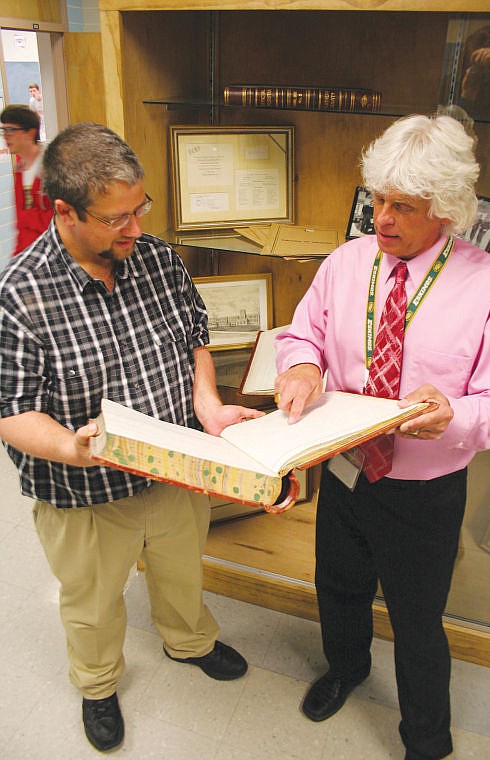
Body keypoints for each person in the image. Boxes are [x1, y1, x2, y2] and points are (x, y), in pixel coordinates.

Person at [0, 122, 264, 753]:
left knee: (182, 571)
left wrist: (208, 404)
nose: (136, 230)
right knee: (92, 602)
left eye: (139, 209)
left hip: (175, 466)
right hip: (83, 488)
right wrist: (71, 446)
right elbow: (11, 409)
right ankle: (97, 683)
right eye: (116, 218)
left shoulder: (157, 259)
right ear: (65, 211)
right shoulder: (19, 294)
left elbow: (193, 334)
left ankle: (188, 641)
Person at [273, 114, 490, 760]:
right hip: (346, 470)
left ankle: (426, 740)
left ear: (447, 209)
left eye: (402, 207)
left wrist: (454, 414)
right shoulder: (347, 262)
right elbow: (303, 335)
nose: (381, 218)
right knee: (336, 584)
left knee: (416, 621)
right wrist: (299, 364)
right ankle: (345, 668)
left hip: (424, 491)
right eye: (378, 199)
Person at [0, 104, 52, 256]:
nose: (6, 136)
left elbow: (62, 219)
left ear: (30, 132)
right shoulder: (20, 169)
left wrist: (29, 216)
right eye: (3, 130)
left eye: (11, 130)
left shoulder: (51, 166)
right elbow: (21, 226)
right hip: (29, 253)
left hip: (53, 254)